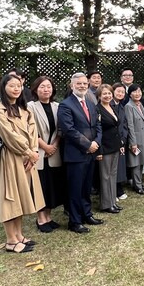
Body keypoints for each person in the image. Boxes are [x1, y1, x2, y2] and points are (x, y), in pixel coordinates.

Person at [0, 74, 44, 253]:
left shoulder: (24, 109)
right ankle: (11, 240)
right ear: (3, 88)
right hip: (9, 159)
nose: (16, 88)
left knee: (20, 196)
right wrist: (28, 152)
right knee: (9, 197)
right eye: (12, 85)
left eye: (19, 85)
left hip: (26, 159)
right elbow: (9, 136)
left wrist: (34, 151)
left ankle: (19, 235)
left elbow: (33, 130)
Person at [58, 72, 104, 234]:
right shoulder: (65, 105)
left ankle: (87, 214)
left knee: (86, 187)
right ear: (72, 86)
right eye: (79, 84)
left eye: (85, 83)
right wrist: (87, 145)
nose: (82, 86)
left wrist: (96, 143)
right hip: (76, 154)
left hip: (91, 153)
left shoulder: (91, 104)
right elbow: (69, 130)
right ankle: (75, 221)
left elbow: (97, 126)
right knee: (75, 189)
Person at [27, 76, 64, 233]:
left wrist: (54, 146)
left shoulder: (57, 106)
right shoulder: (30, 107)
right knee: (40, 186)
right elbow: (29, 131)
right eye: (42, 87)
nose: (46, 89)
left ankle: (48, 216)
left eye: (48, 86)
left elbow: (61, 129)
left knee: (52, 185)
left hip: (54, 151)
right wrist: (45, 147)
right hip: (39, 152)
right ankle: (41, 219)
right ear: (35, 89)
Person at [95, 84, 124, 213]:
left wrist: (120, 145)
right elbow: (97, 131)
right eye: (104, 94)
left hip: (115, 146)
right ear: (99, 96)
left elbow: (116, 128)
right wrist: (99, 150)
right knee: (105, 176)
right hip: (104, 147)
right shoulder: (97, 110)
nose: (107, 96)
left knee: (113, 174)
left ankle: (113, 201)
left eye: (109, 93)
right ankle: (106, 204)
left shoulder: (112, 107)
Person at [124, 83, 144, 194]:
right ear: (130, 94)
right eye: (134, 92)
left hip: (143, 138)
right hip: (135, 139)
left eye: (139, 91)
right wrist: (133, 142)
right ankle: (137, 185)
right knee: (135, 163)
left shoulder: (140, 104)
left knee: (141, 161)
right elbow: (130, 125)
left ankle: (139, 182)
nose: (137, 94)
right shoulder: (129, 106)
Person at [110, 83, 129, 200]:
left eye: (122, 92)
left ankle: (118, 188)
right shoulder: (109, 105)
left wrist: (123, 140)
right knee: (112, 168)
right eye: (118, 91)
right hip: (111, 142)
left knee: (120, 166)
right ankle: (112, 191)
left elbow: (125, 126)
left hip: (121, 141)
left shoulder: (122, 106)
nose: (120, 94)